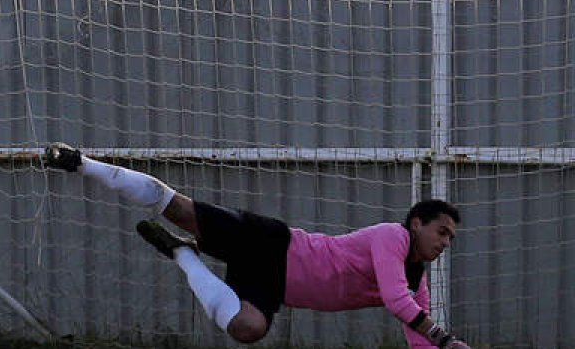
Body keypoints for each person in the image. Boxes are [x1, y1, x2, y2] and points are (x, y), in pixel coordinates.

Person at [43, 142, 470, 349]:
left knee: (248, 330)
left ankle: (182, 253)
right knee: (174, 204)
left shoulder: (417, 281)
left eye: (451, 238)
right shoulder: (391, 238)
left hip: (274, 286)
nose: (445, 242)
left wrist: (438, 344)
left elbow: (417, 336)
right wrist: (446, 338)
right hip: (274, 245)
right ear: (416, 223)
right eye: (442, 232)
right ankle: (80, 163)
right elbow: (400, 305)